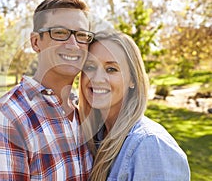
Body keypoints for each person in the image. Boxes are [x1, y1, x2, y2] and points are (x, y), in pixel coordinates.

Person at [0, 0, 95, 180]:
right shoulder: (3, 121)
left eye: (82, 35)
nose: (73, 44)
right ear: (36, 42)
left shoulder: (84, 116)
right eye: (59, 32)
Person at [78, 31, 190, 180]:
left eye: (111, 69)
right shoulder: (96, 137)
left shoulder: (150, 145)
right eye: (90, 67)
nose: (97, 79)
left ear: (133, 79)